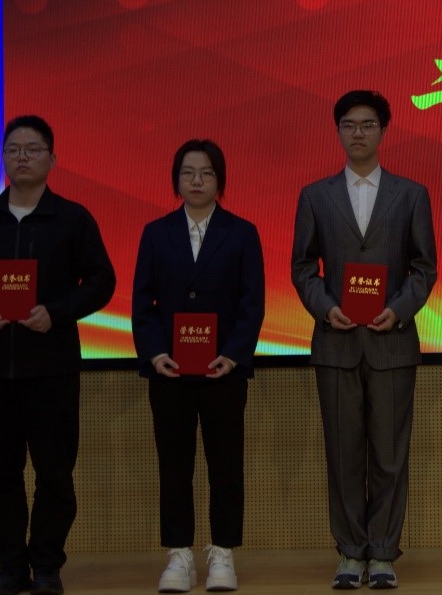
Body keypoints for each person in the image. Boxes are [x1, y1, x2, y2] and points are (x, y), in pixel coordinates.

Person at [0, 116, 116, 595]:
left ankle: (46, 566)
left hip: (52, 368)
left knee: (54, 474)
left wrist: (56, 313)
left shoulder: (72, 219)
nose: (22, 156)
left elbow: (102, 281)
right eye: (13, 149)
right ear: (3, 158)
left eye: (33, 148)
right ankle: (10, 566)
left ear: (52, 159)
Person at [292, 90, 437, 590]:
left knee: (390, 456)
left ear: (383, 131)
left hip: (391, 342)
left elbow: (424, 267)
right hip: (336, 343)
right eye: (349, 125)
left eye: (368, 124)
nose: (358, 133)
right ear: (338, 131)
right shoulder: (315, 195)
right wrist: (324, 307)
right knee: (343, 454)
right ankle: (350, 553)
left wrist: (398, 309)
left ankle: (383, 554)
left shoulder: (411, 194)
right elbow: (303, 267)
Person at [131, 139, 265, 593]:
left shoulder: (242, 233)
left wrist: (234, 353)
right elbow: (142, 303)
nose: (196, 180)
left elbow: (252, 302)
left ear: (219, 180)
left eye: (206, 173)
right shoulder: (156, 233)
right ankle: (179, 555)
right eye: (188, 172)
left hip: (223, 371)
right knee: (174, 464)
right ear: (176, 180)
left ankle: (223, 552)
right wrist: (155, 353)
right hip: (169, 372)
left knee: (225, 462)